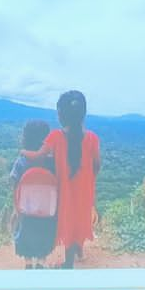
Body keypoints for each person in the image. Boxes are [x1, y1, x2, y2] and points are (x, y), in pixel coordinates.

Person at [22, 90, 101, 268]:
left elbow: (38, 156)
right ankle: (78, 250)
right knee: (81, 217)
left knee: (68, 220)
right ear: (83, 114)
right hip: (85, 188)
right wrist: (89, 179)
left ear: (60, 114)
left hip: (65, 190)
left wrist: (22, 152)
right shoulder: (93, 139)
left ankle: (68, 264)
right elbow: (97, 164)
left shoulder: (55, 137)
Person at [11, 119, 57, 269]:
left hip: (26, 209)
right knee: (45, 235)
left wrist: (16, 208)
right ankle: (41, 262)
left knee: (25, 234)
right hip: (48, 211)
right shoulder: (52, 163)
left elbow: (14, 183)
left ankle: (28, 263)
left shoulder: (21, 162)